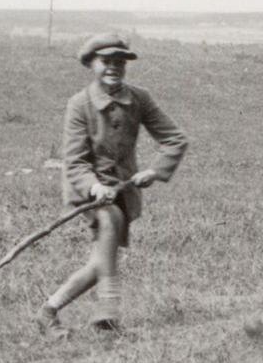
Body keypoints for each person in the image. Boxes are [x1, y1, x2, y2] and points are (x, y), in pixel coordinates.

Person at [37, 33, 189, 336]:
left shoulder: (139, 98)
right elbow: (75, 162)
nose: (113, 68)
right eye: (106, 61)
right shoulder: (79, 105)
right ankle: (107, 314)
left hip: (123, 191)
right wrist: (94, 187)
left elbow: (176, 139)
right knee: (111, 222)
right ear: (91, 64)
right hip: (87, 192)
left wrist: (155, 171)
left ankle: (48, 311)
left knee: (100, 262)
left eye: (119, 62)